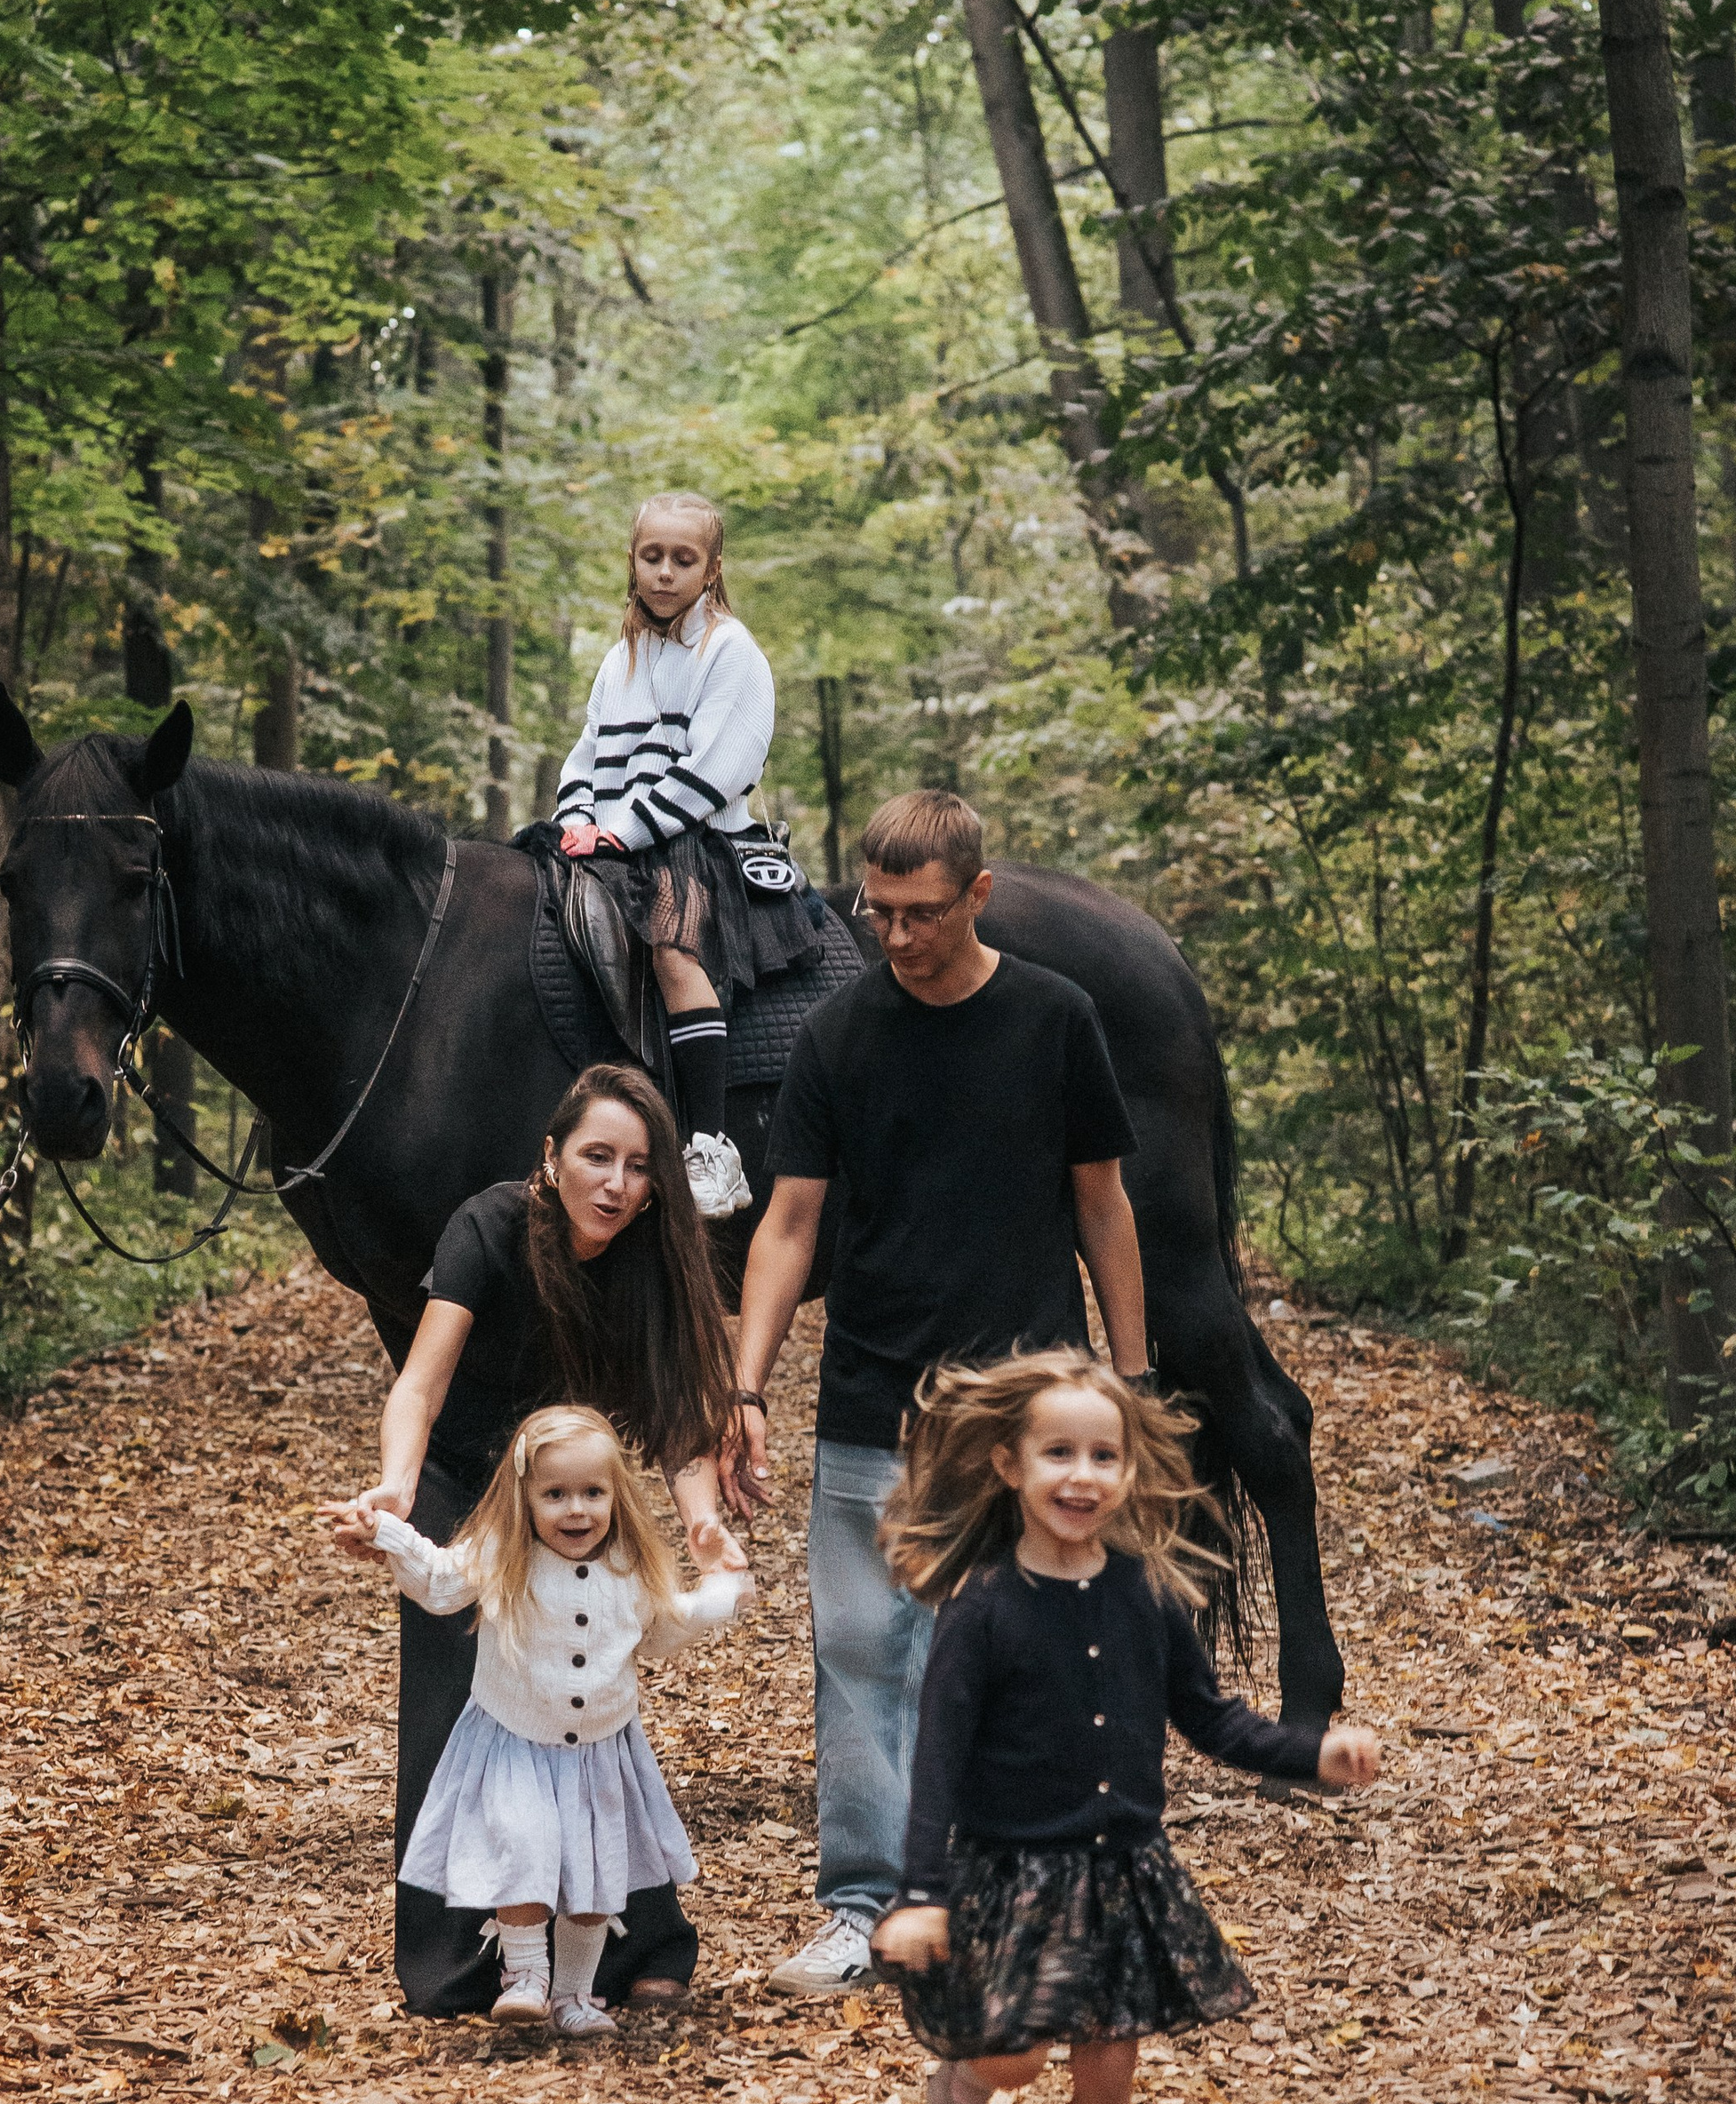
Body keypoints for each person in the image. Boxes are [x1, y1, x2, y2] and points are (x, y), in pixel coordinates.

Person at [728, 785, 1151, 1996]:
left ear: (978, 895)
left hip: (1028, 1411)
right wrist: (746, 1387)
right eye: (879, 912)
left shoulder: (1056, 1019)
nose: (897, 935)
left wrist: (1132, 1381)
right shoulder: (837, 1035)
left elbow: (1103, 1207)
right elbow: (788, 1225)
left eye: (921, 913)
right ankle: (866, 1907)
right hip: (874, 1393)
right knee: (864, 1652)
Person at [869, 1351, 1382, 2104]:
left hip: (1121, 1874)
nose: (1083, 1476)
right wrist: (921, 1895)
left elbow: (1212, 1720)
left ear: (1130, 1470)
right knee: (1018, 2057)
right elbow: (936, 1763)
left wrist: (1309, 1753)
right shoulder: (981, 1609)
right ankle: (969, 2077)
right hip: (1012, 1874)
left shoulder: (1147, 1594)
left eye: (1104, 1457)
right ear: (1009, 1465)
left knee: (1107, 2070)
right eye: (1058, 1453)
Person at [328, 1063, 745, 2027]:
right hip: (467, 1487)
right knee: (455, 1717)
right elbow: (421, 1382)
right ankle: (459, 1964)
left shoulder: (652, 1257)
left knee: (591, 1708)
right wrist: (396, 1484)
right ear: (552, 1158)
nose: (617, 1184)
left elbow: (676, 1417)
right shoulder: (488, 1227)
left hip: (572, 1497)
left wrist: (700, 1522)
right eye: (597, 1157)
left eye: (638, 1166)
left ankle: (636, 1948)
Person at [334, 1406, 754, 2038]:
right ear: (525, 1498)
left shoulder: (630, 1569)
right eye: (555, 1494)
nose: (575, 1510)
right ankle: (526, 1975)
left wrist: (723, 1584)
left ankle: (574, 1996)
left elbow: (665, 1627)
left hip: (599, 1751)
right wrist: (387, 1531)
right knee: (524, 1847)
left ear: (616, 1496)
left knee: (593, 1877)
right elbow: (439, 1582)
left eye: (592, 1493)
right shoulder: (504, 1555)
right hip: (516, 1743)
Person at [553, 492, 823, 1222]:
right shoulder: (621, 658)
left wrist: (624, 831)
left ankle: (710, 1144)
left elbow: (717, 768)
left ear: (712, 569)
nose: (665, 572)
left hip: (692, 841)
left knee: (674, 952)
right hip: (614, 841)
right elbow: (587, 755)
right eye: (652, 557)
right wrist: (576, 822)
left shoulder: (730, 651)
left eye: (683, 559)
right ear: (633, 561)